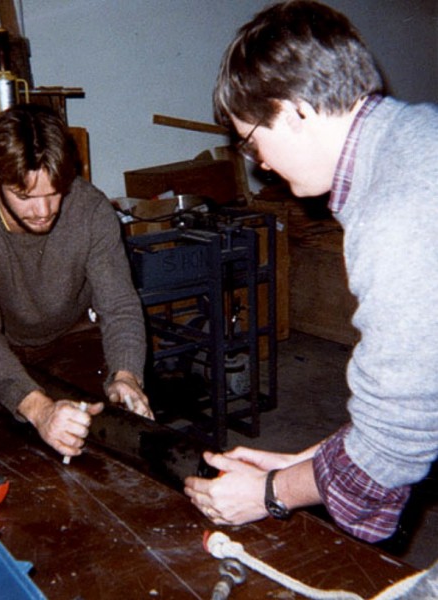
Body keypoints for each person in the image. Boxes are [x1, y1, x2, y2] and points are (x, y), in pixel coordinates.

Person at [184, 0, 438, 545]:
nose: (258, 165)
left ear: (295, 109)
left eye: (251, 140)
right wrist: (314, 462)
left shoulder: (399, 207)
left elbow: (395, 446)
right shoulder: (417, 138)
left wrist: (271, 492)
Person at [0, 104, 152, 461]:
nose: (43, 211)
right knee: (14, 461)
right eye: (25, 196)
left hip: (77, 339)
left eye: (54, 192)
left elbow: (119, 305)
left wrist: (126, 375)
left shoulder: (91, 210)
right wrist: (38, 409)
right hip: (5, 353)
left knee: (106, 456)